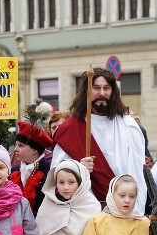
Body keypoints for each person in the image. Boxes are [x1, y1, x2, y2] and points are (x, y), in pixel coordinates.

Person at [51, 68, 147, 214]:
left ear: (113, 92)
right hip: (83, 210)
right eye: (96, 88)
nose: (102, 93)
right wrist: (77, 168)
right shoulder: (70, 129)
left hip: (123, 209)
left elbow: (137, 173)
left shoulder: (129, 126)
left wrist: (136, 211)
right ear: (85, 92)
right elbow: (56, 174)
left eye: (106, 88)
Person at [10, 121, 54, 215]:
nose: (15, 149)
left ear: (34, 150)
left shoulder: (49, 171)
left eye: (21, 145)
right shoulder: (14, 170)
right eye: (16, 144)